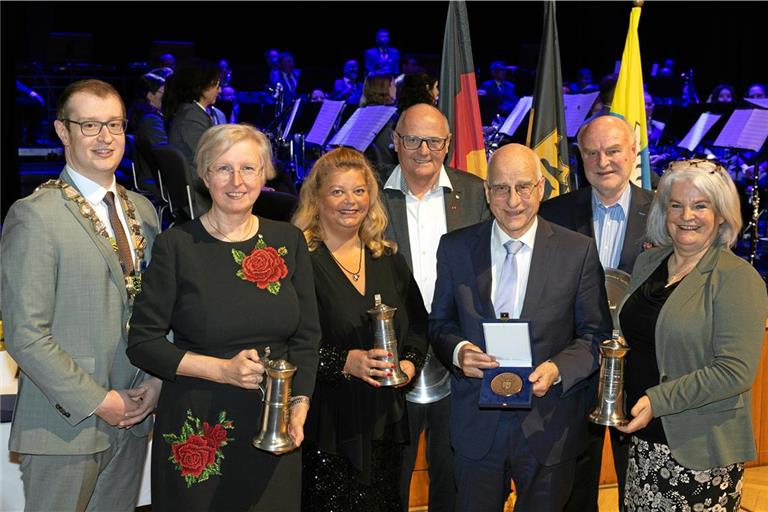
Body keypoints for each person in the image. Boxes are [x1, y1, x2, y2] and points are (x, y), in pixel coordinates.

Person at [127, 123, 321, 511]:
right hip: (198, 425)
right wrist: (222, 370)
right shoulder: (176, 246)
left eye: (248, 168)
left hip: (274, 422)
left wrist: (299, 403)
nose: (237, 181)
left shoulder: (289, 241)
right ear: (204, 175)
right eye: (223, 168)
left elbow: (307, 336)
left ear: (265, 174)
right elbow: (143, 344)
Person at [1, 79, 161, 511]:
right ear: (61, 131)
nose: (105, 138)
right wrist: (99, 400)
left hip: (132, 417)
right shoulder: (34, 216)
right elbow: (25, 335)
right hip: (63, 425)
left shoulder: (143, 211)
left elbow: (156, 312)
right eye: (89, 125)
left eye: (114, 124)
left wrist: (155, 380)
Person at [430, 143, 613, 512]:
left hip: (548, 424)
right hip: (476, 426)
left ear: (542, 189)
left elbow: (595, 335)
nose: (513, 200)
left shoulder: (577, 251)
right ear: (487, 192)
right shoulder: (455, 248)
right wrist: (458, 351)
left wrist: (558, 368)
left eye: (523, 187)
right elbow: (440, 323)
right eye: (501, 188)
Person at [615, 159, 768, 511]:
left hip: (699, 452)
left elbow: (734, 371)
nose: (687, 215)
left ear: (721, 214)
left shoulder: (737, 278)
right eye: (676, 205)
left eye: (700, 205)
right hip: (643, 441)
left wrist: (657, 400)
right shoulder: (648, 264)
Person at [292, 147, 427, 511]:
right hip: (325, 428)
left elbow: (418, 326)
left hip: (385, 424)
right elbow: (282, 341)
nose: (350, 201)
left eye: (359, 190)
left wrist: (410, 365)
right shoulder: (297, 261)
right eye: (337, 191)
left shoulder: (387, 257)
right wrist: (341, 362)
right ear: (316, 198)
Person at [539, 114, 655, 511]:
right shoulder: (552, 214)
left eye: (613, 150)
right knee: (573, 487)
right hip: (574, 372)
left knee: (637, 484)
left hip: (641, 372)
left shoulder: (662, 214)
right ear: (580, 157)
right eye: (591, 152)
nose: (602, 160)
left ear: (633, 152)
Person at [381, 103, 490, 512]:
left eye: (433, 141)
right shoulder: (369, 195)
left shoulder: (477, 193)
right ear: (395, 143)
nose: (423, 150)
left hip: (458, 356)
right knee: (392, 473)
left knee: (453, 476)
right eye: (412, 139)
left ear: (447, 145)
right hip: (390, 357)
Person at [163, 61, 221, 170]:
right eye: (216, 85)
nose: (219, 91)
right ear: (202, 86)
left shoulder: (192, 111)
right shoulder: (191, 116)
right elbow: (209, 156)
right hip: (198, 180)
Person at [359, 72, 398, 178]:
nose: (396, 89)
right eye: (394, 85)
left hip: (365, 172)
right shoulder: (391, 117)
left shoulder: (360, 115)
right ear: (387, 89)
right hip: (388, 174)